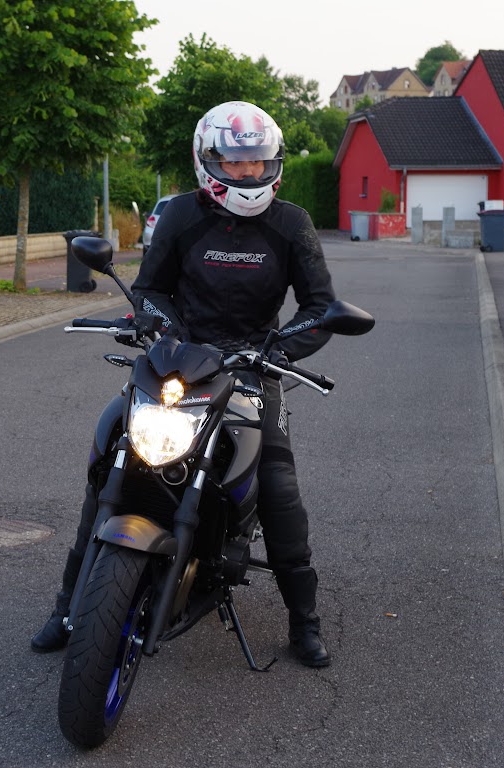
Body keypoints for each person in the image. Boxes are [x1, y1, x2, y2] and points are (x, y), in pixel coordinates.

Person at [31, 100, 336, 668]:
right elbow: (150, 289)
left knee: (276, 484)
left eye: (258, 163)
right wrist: (158, 325)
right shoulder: (178, 216)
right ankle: (68, 610)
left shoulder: (291, 224)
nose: (248, 174)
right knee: (114, 459)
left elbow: (319, 307)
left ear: (275, 165)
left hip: (252, 366)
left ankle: (305, 622)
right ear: (207, 161)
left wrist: (278, 350)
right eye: (235, 162)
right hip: (178, 362)